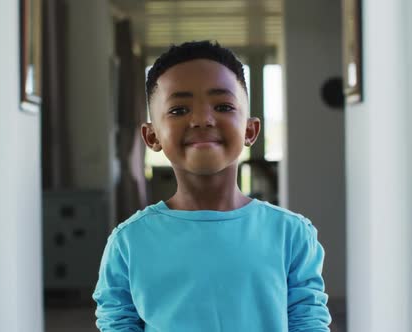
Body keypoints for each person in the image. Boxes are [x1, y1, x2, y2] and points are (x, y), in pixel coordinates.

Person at [92, 40, 332, 331]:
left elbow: (307, 321)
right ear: (152, 136)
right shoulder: (128, 242)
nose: (202, 119)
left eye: (223, 106)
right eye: (179, 110)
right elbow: (117, 322)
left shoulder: (291, 235)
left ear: (250, 129)